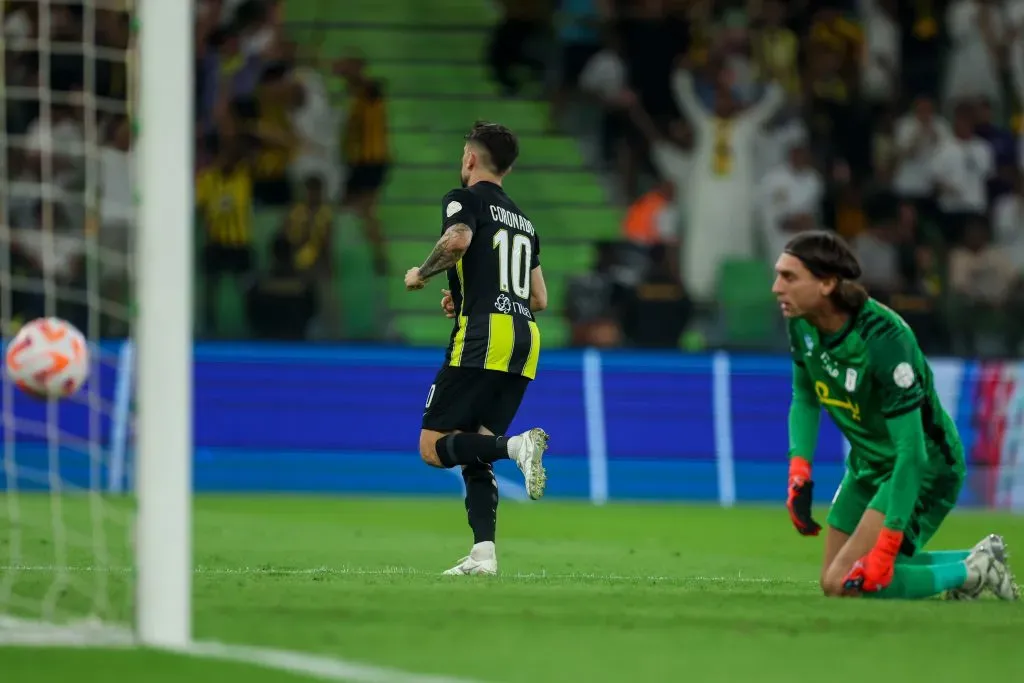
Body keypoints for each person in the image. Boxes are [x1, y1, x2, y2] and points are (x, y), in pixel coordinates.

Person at [773, 230, 1018, 601]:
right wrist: (799, 470)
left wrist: (887, 548)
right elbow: (805, 396)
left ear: (826, 284)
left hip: (922, 469)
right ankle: (977, 564)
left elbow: (913, 453)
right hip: (869, 465)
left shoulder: (884, 340)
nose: (777, 287)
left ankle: (972, 572)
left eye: (789, 277)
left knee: (851, 583)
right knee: (832, 581)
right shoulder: (802, 323)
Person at [403, 121, 550, 576]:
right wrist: (467, 295)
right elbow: (539, 298)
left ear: (470, 158)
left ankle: (517, 447)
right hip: (524, 341)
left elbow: (459, 240)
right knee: (476, 448)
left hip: (483, 337)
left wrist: (422, 274)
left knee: (433, 447)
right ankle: (483, 554)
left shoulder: (462, 198)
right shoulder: (524, 221)